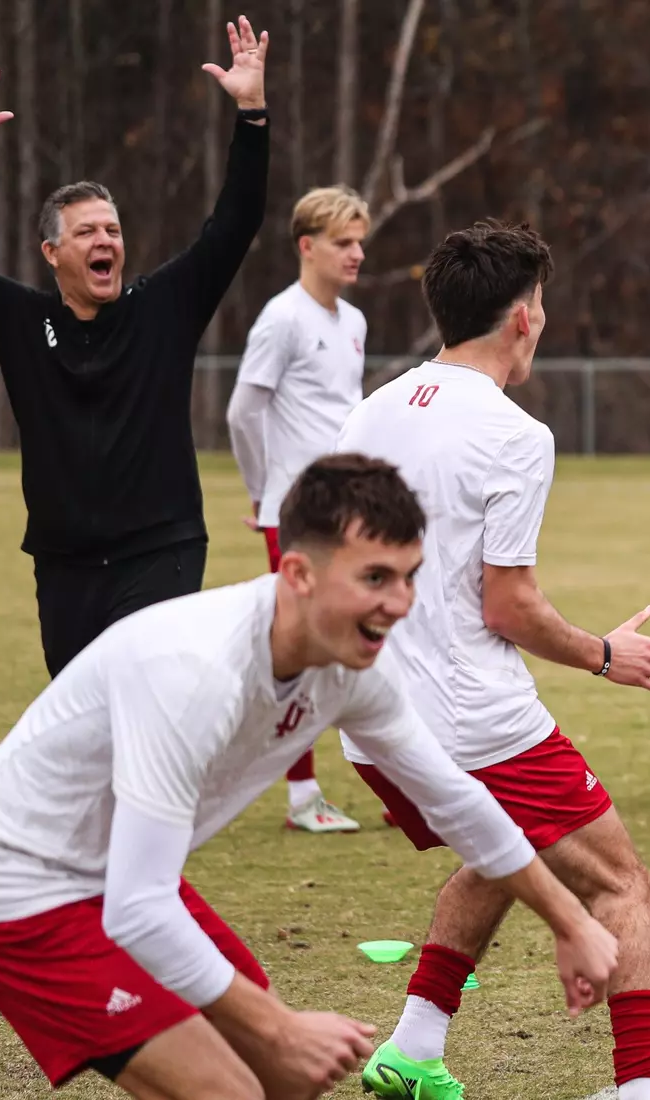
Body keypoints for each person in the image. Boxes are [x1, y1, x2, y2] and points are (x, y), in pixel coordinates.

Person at [0, 454, 619, 1099]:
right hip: (13, 889)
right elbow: (138, 909)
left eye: (411, 575)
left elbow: (457, 802)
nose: (402, 602)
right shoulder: (193, 672)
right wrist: (280, 1024)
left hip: (115, 877)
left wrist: (571, 924)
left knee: (277, 1074)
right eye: (376, 578)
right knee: (235, 1084)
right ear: (297, 573)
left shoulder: (353, 667)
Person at [335, 219, 650, 1100]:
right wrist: (607, 653)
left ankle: (415, 1046)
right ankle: (645, 1089)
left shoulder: (368, 410)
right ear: (523, 317)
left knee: (498, 850)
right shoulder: (515, 434)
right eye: (542, 301)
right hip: (473, 718)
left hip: (370, 722)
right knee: (621, 885)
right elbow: (511, 606)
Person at [0, 24, 270, 677]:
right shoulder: (19, 321)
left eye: (112, 230)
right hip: (64, 565)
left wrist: (252, 115)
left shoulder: (164, 308)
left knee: (147, 704)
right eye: (87, 231)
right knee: (82, 730)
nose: (105, 240)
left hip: (161, 550)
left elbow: (236, 221)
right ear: (52, 253)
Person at [227, 185, 370, 834]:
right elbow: (243, 410)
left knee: (372, 639)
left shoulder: (354, 322)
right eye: (344, 242)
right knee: (299, 648)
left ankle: (399, 787)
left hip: (348, 508)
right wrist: (264, 492)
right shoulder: (281, 319)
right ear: (307, 245)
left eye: (361, 241)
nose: (357, 253)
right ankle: (302, 796)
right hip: (295, 513)